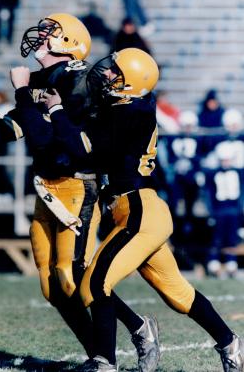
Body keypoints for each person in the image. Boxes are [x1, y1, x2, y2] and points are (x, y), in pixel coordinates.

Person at [0, 14, 160, 368]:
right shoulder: (43, 81)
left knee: (74, 276)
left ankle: (118, 346)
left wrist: (23, 93)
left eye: (49, 32)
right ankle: (98, 355)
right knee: (52, 287)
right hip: (46, 187)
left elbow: (50, 136)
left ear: (70, 42)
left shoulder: (84, 81)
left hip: (78, 184)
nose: (40, 36)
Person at [78, 48, 244, 372]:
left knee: (94, 283)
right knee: (178, 294)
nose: (107, 75)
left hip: (139, 210)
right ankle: (231, 344)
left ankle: (105, 361)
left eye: (116, 72)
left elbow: (96, 150)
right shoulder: (128, 108)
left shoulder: (133, 112)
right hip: (139, 211)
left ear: (132, 82)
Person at [201, 142, 243, 278]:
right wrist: (210, 211)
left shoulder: (239, 172)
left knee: (232, 238)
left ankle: (231, 263)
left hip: (234, 210)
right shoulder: (211, 174)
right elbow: (208, 194)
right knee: (216, 238)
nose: (226, 162)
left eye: (228, 159)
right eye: (223, 160)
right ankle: (214, 263)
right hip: (218, 210)